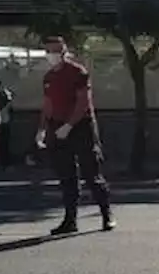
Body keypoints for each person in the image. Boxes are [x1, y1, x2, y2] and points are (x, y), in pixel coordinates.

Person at [37, 37, 114, 235]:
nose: (51, 56)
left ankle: (107, 215)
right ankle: (70, 220)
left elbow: (83, 102)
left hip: (80, 127)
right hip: (56, 126)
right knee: (66, 176)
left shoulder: (77, 72)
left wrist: (70, 125)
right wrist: (43, 128)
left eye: (55, 51)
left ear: (64, 52)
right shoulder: (48, 77)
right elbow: (47, 105)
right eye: (48, 51)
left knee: (91, 174)